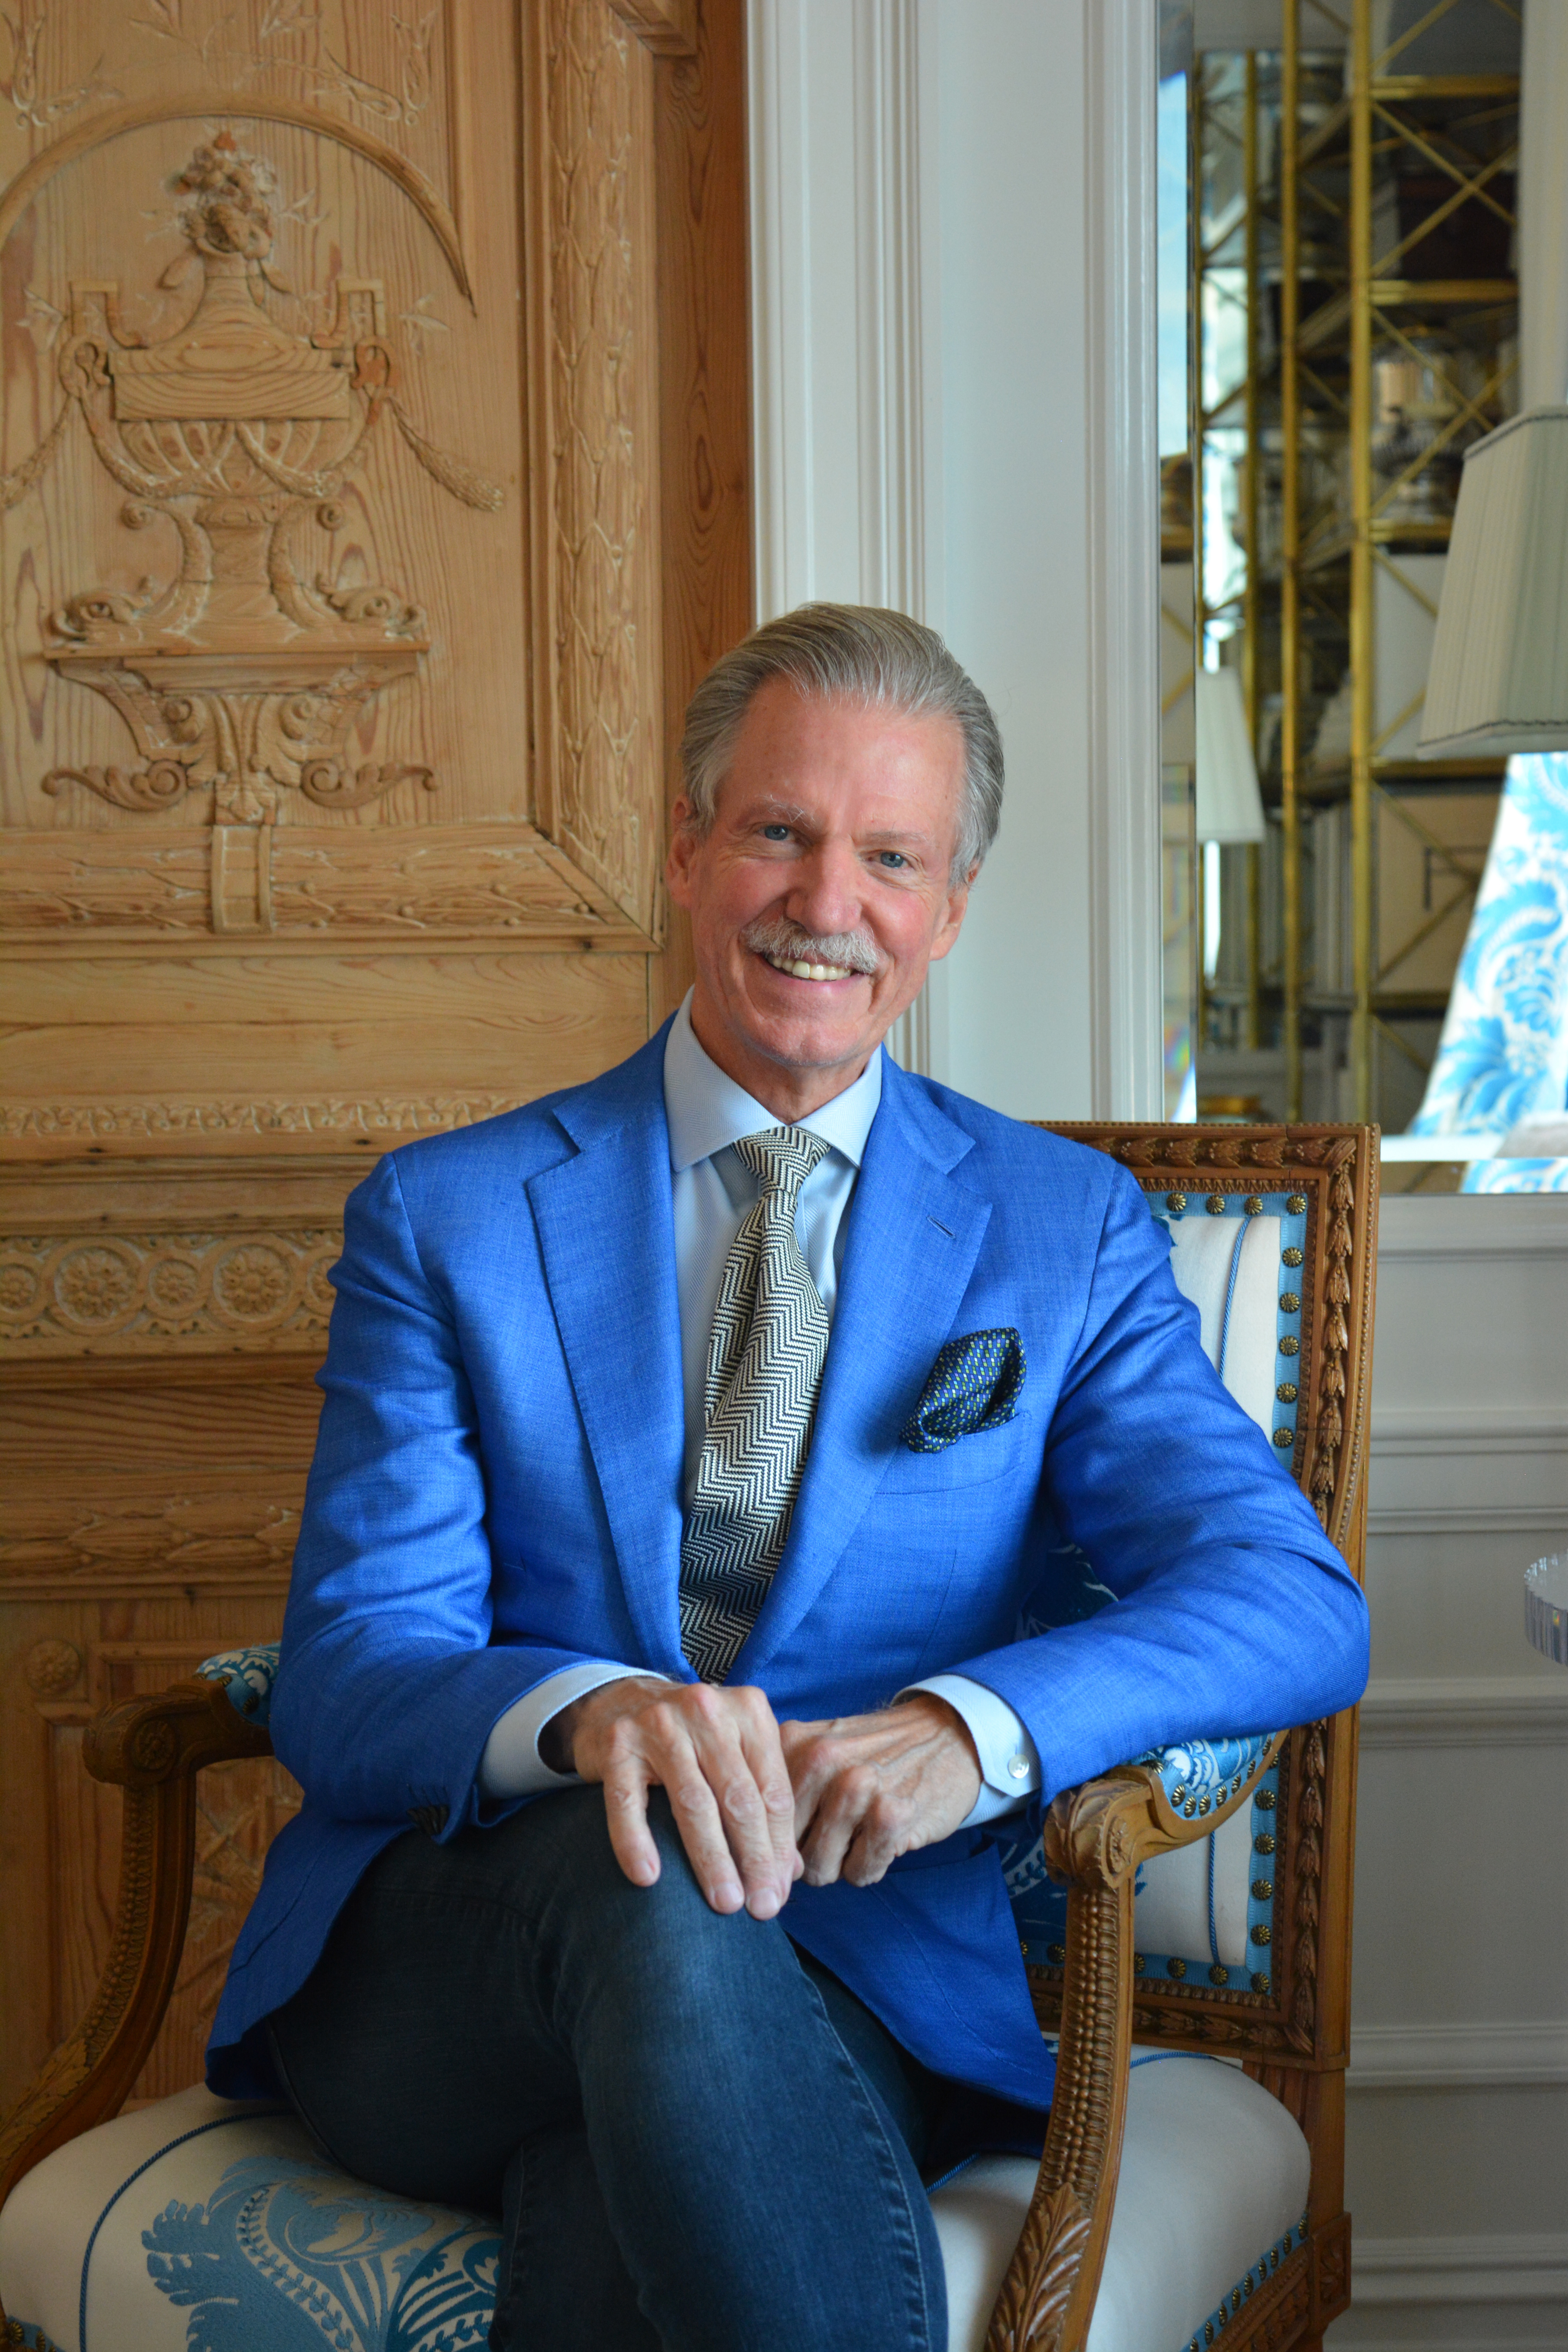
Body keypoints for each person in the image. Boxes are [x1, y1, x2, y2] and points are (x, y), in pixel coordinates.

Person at [208, 604, 1369, 2352]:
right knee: (646, 1873)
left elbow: (1290, 1601)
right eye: (778, 832)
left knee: (616, 2191)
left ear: (948, 910)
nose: (828, 904)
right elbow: (358, 1662)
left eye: (889, 856)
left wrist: (965, 1729)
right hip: (456, 1961)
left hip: (861, 1982)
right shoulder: (448, 1220)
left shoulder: (1061, 1239)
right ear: (686, 853)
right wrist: (596, 1715)